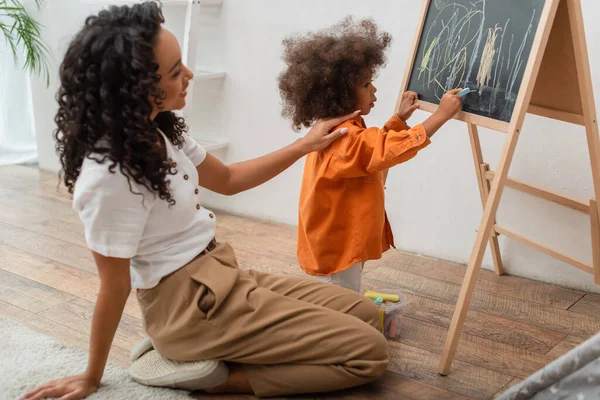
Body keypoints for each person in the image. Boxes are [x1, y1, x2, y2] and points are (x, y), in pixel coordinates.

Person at [20, 4, 390, 400]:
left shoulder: (161, 131)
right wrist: (91, 376)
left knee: (365, 314)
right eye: (176, 71)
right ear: (138, 86)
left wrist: (304, 145)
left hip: (222, 276)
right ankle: (214, 378)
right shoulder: (108, 176)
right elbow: (113, 286)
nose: (189, 76)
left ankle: (212, 354)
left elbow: (229, 180)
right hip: (190, 312)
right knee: (369, 353)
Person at [278, 17, 463, 292]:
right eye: (366, 85)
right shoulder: (345, 138)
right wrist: (441, 115)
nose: (373, 89)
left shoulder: (339, 130)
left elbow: (372, 151)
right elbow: (385, 149)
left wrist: (397, 120)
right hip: (335, 254)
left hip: (336, 242)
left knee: (345, 300)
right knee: (341, 308)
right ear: (341, 95)